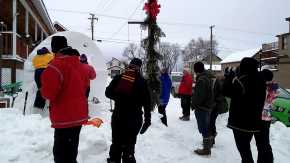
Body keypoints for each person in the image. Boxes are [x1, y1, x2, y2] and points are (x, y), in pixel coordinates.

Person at [41, 36, 91, 163]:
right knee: (71, 152)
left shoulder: (55, 66)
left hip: (64, 117)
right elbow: (87, 83)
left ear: (54, 50)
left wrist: (42, 88)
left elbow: (48, 94)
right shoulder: (82, 66)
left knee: (61, 155)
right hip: (79, 115)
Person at [105, 58, 151, 163]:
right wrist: (147, 120)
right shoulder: (142, 82)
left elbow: (107, 93)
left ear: (129, 66)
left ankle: (114, 160)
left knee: (116, 142)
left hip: (118, 117)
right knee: (129, 145)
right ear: (139, 68)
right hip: (134, 119)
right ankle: (128, 158)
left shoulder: (119, 78)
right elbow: (147, 103)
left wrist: (118, 97)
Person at [223, 57, 266, 163]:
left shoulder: (242, 80)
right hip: (254, 122)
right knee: (248, 150)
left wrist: (229, 76)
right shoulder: (261, 80)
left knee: (245, 152)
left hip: (240, 124)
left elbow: (226, 91)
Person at [191, 62, 215, 155]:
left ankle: (206, 149)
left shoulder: (202, 80)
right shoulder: (207, 77)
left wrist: (193, 104)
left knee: (203, 128)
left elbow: (199, 96)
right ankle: (208, 145)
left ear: (196, 70)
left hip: (202, 107)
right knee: (206, 127)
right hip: (207, 107)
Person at [257, 69, 277, 163]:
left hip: (263, 119)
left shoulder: (269, 88)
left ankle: (266, 160)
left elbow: (266, 102)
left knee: (263, 143)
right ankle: (267, 159)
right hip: (265, 118)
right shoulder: (272, 87)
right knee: (263, 142)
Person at [208, 75, 228, 147]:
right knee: (211, 122)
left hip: (215, 106)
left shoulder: (219, 83)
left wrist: (215, 102)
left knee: (210, 122)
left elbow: (220, 95)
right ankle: (212, 137)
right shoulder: (216, 82)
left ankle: (211, 137)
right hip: (214, 105)